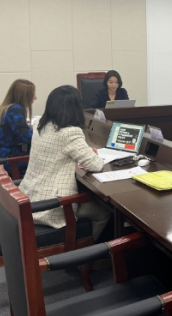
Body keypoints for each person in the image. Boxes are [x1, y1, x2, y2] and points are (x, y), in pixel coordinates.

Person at [19, 85, 110, 240]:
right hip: (52, 207)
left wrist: (84, 149)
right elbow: (95, 165)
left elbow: (57, 149)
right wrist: (92, 154)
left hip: (30, 197)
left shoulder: (39, 124)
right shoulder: (70, 132)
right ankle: (87, 252)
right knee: (104, 212)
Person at [0, 79, 35, 176]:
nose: (35, 97)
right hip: (3, 162)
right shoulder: (15, 110)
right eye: (33, 94)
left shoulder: (6, 108)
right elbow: (27, 137)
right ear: (25, 96)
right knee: (42, 164)